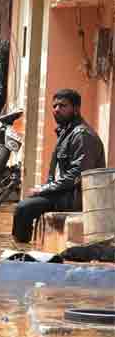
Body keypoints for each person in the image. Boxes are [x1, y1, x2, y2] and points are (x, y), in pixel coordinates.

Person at [12, 89, 106, 243]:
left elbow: (77, 174)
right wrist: (45, 188)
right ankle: (23, 248)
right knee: (25, 205)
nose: (57, 110)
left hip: (74, 197)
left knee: (23, 209)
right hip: (62, 193)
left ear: (75, 109)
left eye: (63, 106)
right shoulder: (66, 132)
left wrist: (44, 189)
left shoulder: (82, 135)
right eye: (54, 106)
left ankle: (21, 252)